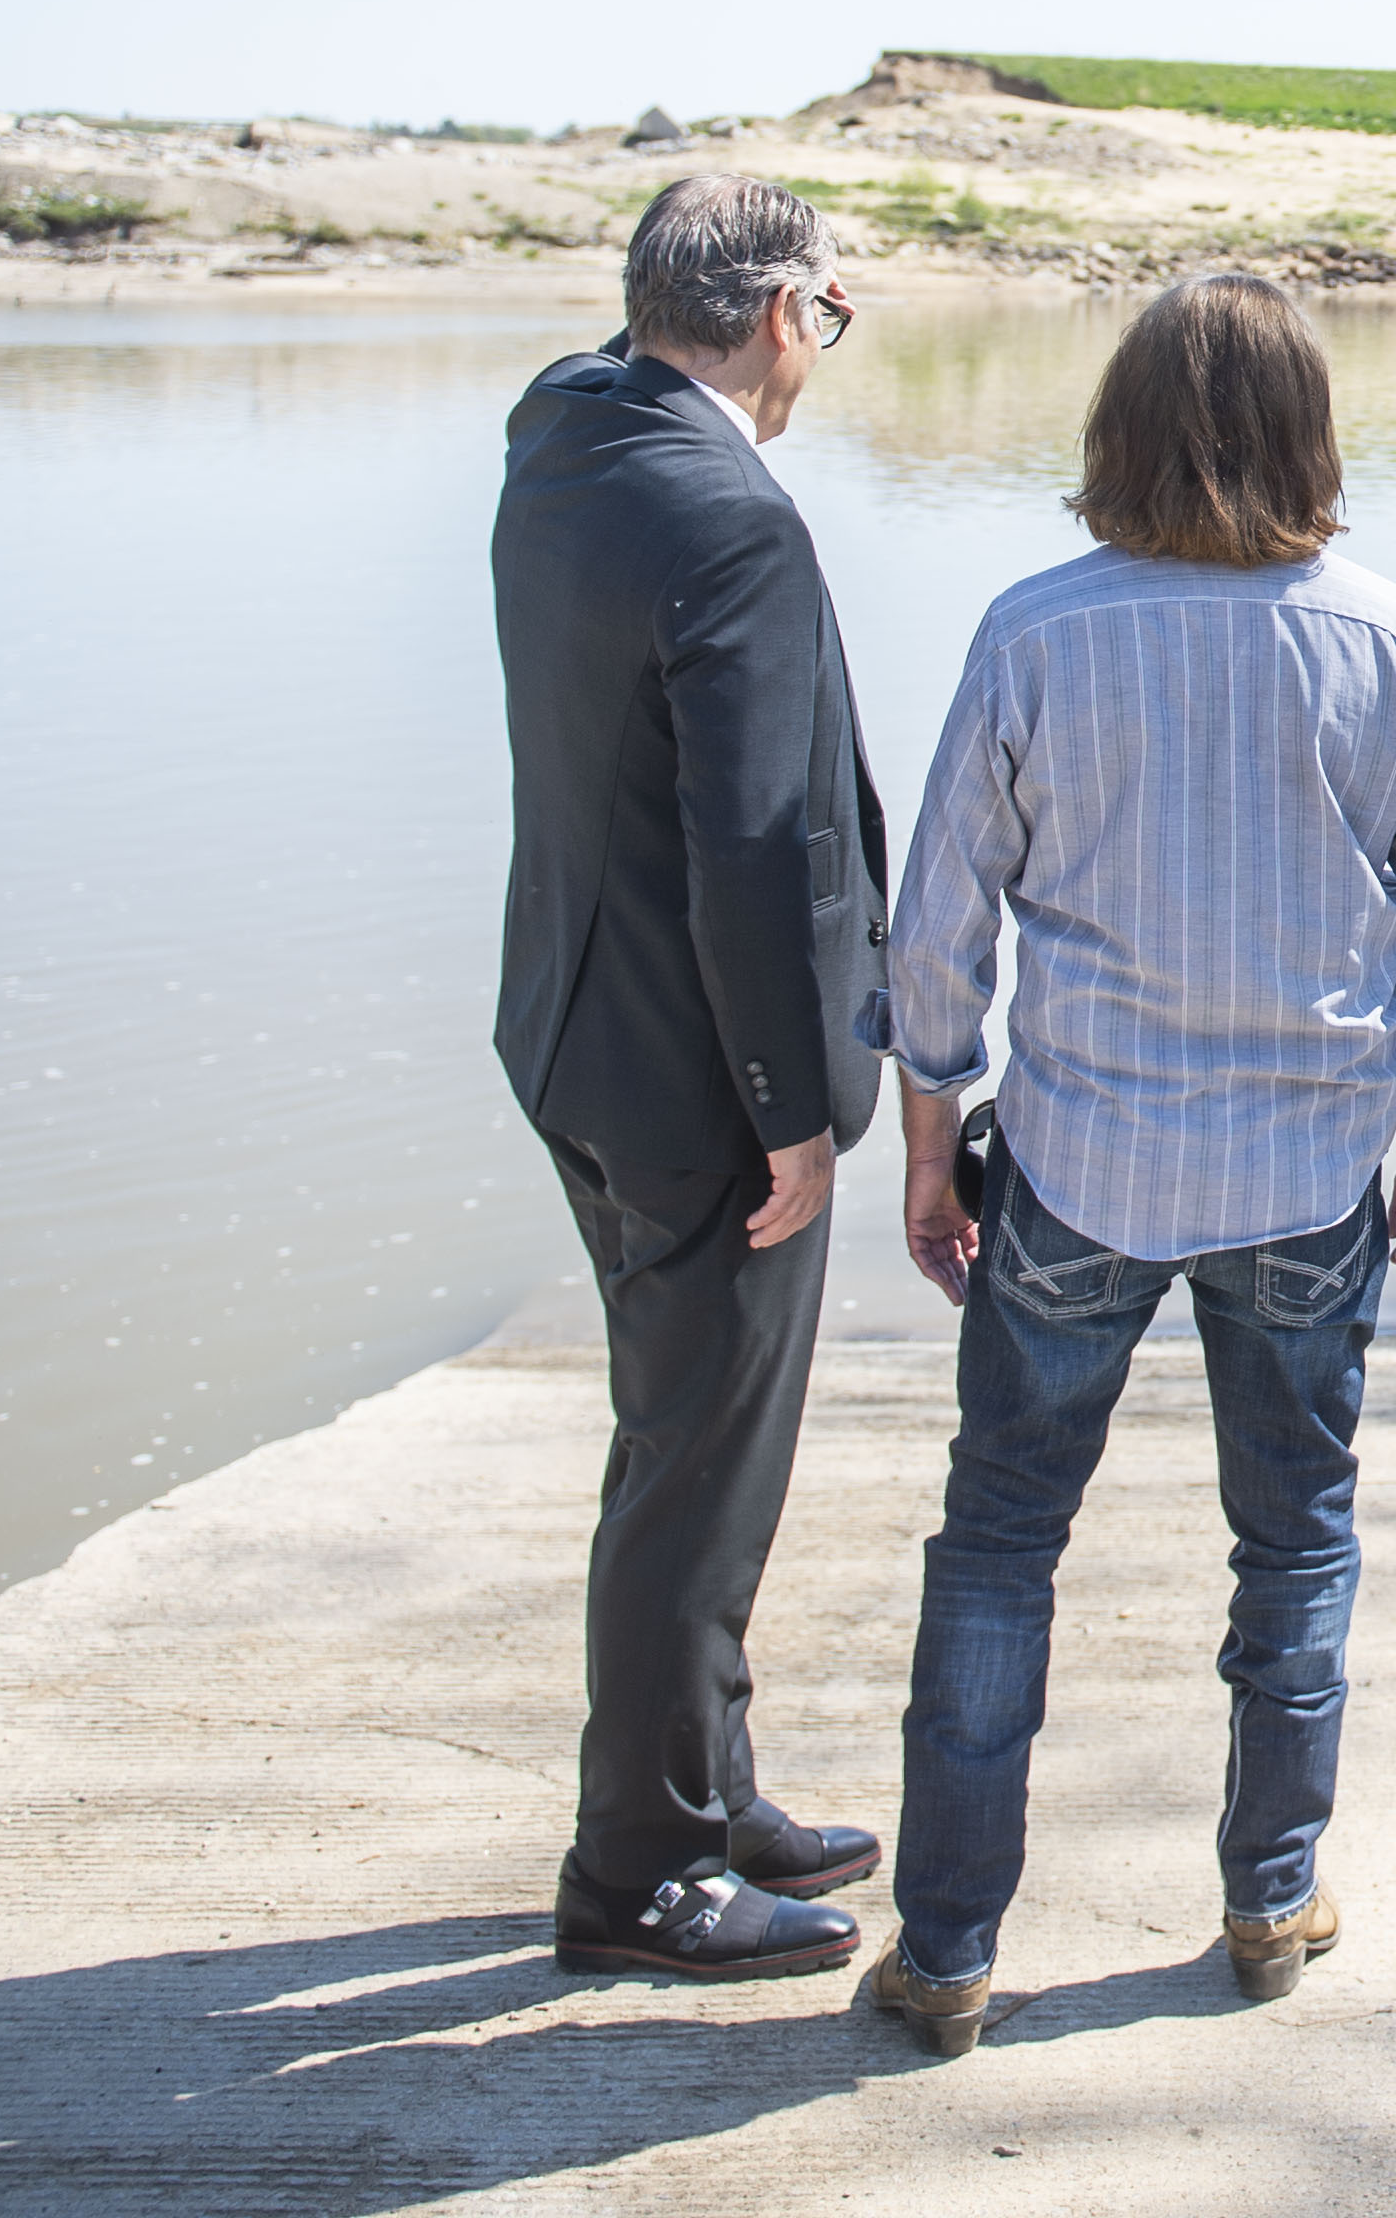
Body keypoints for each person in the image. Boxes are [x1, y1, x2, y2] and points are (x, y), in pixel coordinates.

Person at [867, 272, 1396, 2053]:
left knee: (1001, 1549)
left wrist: (931, 1150)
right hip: (1316, 1175)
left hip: (1078, 1166)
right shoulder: (1392, 637)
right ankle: (1267, 1895)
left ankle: (943, 1952)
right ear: (1316, 433)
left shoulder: (1034, 631)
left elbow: (939, 933)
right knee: (1296, 1544)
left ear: (1117, 429)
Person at [491, 175, 891, 1983]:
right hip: (697, 1086)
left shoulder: (566, 435)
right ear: (788, 312)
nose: (827, 351)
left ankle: (711, 1790)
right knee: (698, 1471)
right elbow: (754, 844)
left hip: (573, 1029)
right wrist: (793, 1109)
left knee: (687, 1444)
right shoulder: (733, 522)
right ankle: (640, 1872)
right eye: (837, 315)